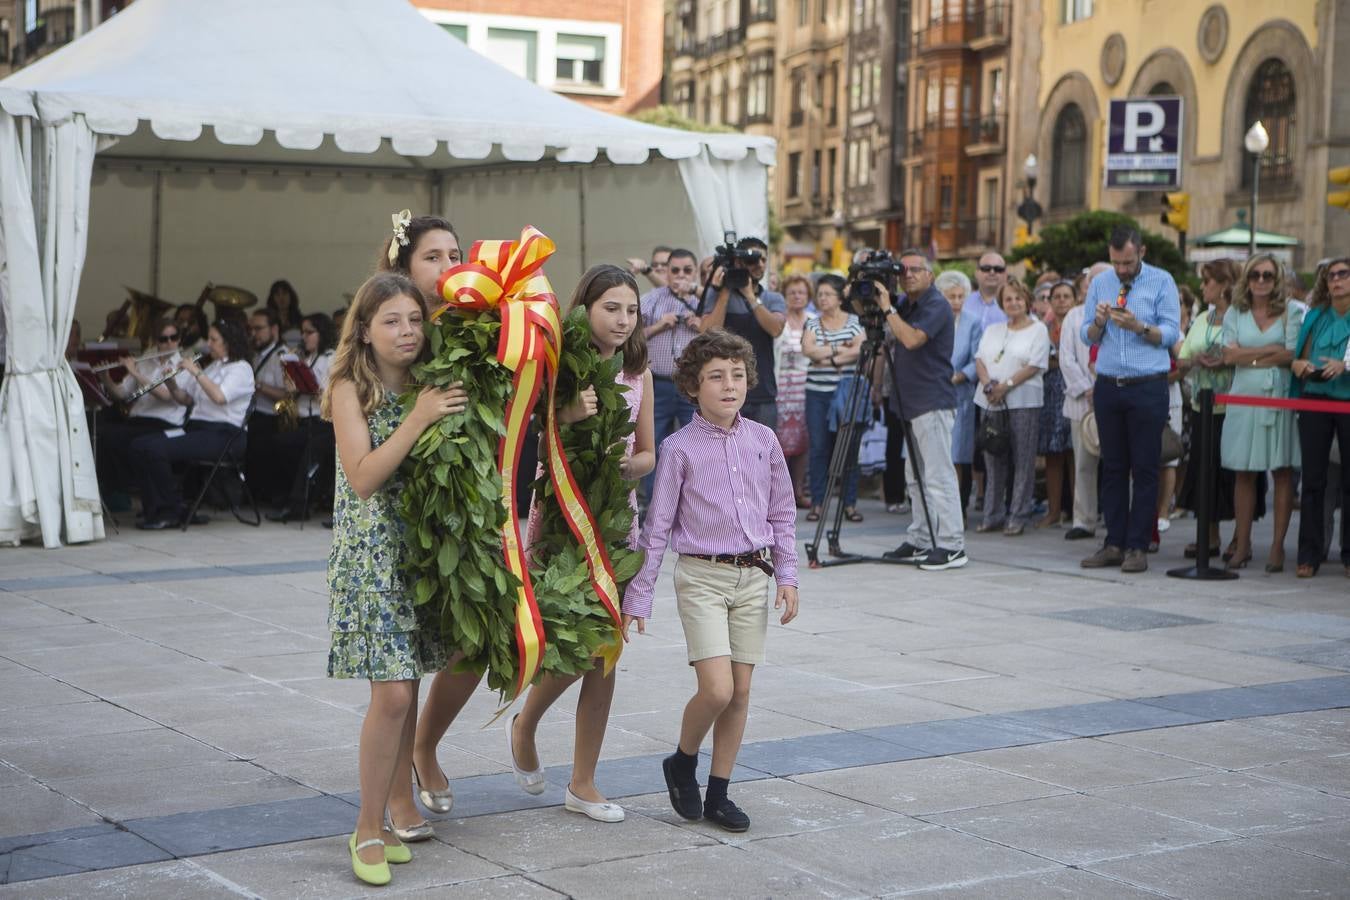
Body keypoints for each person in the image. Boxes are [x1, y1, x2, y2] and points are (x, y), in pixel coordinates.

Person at [622, 329, 799, 833]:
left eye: (737, 376)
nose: (729, 386)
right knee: (717, 689)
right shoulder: (678, 448)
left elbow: (782, 512)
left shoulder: (764, 440)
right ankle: (682, 760)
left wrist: (787, 574)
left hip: (753, 578)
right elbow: (656, 530)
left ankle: (719, 792)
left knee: (741, 692)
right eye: (715, 377)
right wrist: (639, 597)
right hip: (701, 576)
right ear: (693, 387)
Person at [324, 272, 468, 886]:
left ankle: (384, 822)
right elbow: (362, 476)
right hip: (371, 556)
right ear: (364, 330)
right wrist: (418, 418)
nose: (407, 332)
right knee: (394, 697)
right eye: (391, 321)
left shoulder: (433, 378)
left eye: (415, 320)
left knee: (407, 688)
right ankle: (364, 826)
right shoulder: (348, 388)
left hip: (422, 554)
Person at [510, 265, 656, 823]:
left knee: (605, 653)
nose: (622, 321)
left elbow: (648, 452)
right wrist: (564, 414)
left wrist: (630, 464)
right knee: (574, 639)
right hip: (563, 516)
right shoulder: (554, 361)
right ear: (584, 308)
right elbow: (520, 431)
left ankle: (583, 781)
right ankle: (525, 723)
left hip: (616, 519)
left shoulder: (637, 369)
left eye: (631, 311)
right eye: (611, 308)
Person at [373, 213, 484, 842]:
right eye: (433, 258)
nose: (448, 268)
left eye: (454, 255)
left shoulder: (476, 328)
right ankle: (392, 794)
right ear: (404, 268)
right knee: (404, 661)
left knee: (478, 638)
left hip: (464, 508)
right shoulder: (395, 333)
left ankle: (424, 746)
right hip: (401, 514)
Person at [1079, 226, 1182, 573]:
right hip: (1109, 383)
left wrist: (1139, 327)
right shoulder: (1100, 283)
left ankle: (1138, 545)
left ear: (1142, 251)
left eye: (1127, 262)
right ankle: (1113, 542)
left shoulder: (1162, 281)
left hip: (1147, 384)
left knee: (1145, 467)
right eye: (1116, 262)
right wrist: (1098, 322)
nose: (1122, 269)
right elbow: (1085, 334)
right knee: (1112, 466)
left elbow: (1171, 330)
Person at [876, 250, 968, 570]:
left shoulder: (936, 305)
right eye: (904, 270)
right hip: (909, 404)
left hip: (932, 402)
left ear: (930, 274)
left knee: (939, 477)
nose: (909, 274)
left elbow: (912, 339)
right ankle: (921, 538)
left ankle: (953, 544)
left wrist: (887, 306)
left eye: (917, 269)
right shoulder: (906, 304)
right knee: (914, 477)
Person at [129, 320, 256, 529]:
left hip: (224, 435)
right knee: (140, 445)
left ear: (229, 343)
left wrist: (196, 372)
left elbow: (219, 397)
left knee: (155, 449)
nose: (208, 343)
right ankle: (159, 508)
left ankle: (170, 511)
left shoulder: (240, 369)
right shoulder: (214, 366)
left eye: (214, 340)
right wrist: (170, 383)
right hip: (198, 429)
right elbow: (185, 399)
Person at [1221, 253, 1304, 572]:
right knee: (1243, 471)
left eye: (1267, 276)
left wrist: (1249, 356)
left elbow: (1292, 354)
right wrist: (1269, 351)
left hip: (1277, 396)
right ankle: (1241, 545)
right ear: (1246, 278)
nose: (1260, 281)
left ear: (1277, 279)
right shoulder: (1235, 312)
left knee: (1281, 471)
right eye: (1255, 274)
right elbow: (1229, 356)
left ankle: (1277, 547)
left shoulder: (1291, 312)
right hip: (1243, 396)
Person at [1176, 259, 1243, 559]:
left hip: (1234, 406)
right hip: (1202, 404)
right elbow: (1182, 359)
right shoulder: (1202, 318)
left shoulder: (1241, 317)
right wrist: (1196, 360)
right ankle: (1210, 536)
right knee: (1205, 471)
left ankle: (1242, 538)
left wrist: (1225, 360)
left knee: (1235, 473)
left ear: (1224, 284)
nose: (1203, 287)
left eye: (1207, 282)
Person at [974, 282, 1050, 536]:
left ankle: (1018, 515)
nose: (1014, 303)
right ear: (1001, 303)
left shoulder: (1038, 329)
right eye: (1008, 299)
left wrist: (1004, 386)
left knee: (1023, 460)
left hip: (1023, 402)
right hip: (990, 402)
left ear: (1027, 300)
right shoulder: (993, 330)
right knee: (993, 458)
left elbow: (1035, 365)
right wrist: (988, 386)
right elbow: (980, 360)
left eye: (1019, 298)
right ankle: (992, 514)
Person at [1291, 256, 1349, 578]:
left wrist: (1344, 365)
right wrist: (1300, 367)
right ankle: (1308, 554)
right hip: (1315, 399)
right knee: (1313, 480)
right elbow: (1298, 360)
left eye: (1343, 274)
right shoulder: (1315, 316)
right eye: (1331, 276)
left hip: (1348, 402)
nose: (1336, 280)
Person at [96, 318, 193, 498]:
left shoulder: (184, 365)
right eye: (163, 339)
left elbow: (166, 395)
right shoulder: (145, 361)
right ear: (155, 341)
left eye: (174, 337)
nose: (170, 343)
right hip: (139, 420)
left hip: (165, 423)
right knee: (101, 434)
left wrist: (134, 372)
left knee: (119, 439)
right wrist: (105, 378)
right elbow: (121, 394)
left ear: (179, 339)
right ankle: (114, 491)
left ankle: (123, 489)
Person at [698, 236, 786, 428]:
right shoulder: (718, 294)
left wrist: (750, 296)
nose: (760, 265)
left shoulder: (774, 298)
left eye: (763, 260)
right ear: (738, 262)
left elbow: (775, 329)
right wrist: (726, 291)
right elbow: (707, 332)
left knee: (761, 453)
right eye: (753, 260)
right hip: (725, 392)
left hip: (763, 391)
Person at [640, 247, 703, 501]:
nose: (680, 276)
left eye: (687, 270)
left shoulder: (704, 301)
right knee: (653, 443)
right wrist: (658, 325)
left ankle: (692, 502)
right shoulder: (651, 299)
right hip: (659, 383)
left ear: (695, 272)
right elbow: (631, 337)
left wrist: (702, 326)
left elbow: (721, 334)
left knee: (696, 445)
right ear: (665, 271)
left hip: (693, 386)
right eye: (674, 270)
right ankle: (655, 503)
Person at [802, 274, 865, 522]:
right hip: (817, 392)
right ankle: (818, 502)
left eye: (827, 294)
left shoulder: (855, 321)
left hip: (847, 392)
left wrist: (825, 356)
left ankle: (849, 504)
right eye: (820, 294)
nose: (822, 298)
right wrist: (840, 350)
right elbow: (808, 350)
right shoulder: (813, 324)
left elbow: (861, 349)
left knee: (849, 447)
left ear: (840, 298)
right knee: (819, 448)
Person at [267, 313, 338, 522]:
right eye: (303, 333)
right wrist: (292, 387)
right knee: (278, 444)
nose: (304, 337)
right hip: (305, 420)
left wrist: (311, 388)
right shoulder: (303, 359)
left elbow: (333, 395)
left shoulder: (331, 358)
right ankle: (286, 497)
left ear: (321, 333)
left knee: (311, 450)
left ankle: (300, 504)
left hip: (326, 423)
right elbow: (295, 391)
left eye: (309, 332)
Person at [936, 270, 982, 514]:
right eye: (950, 296)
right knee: (939, 453)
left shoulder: (973, 321)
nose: (955, 302)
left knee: (960, 454)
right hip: (934, 391)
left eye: (960, 296)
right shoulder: (933, 318)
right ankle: (938, 509)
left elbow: (978, 358)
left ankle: (960, 508)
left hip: (961, 393)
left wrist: (960, 375)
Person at [1059, 273, 1098, 540]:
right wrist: (1087, 388)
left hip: (1114, 396)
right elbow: (1066, 357)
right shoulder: (1074, 316)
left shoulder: (1122, 312)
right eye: (1089, 282)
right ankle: (1083, 520)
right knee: (1083, 463)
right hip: (1082, 400)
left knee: (1121, 464)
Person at [1037, 281, 1076, 528]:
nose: (1062, 300)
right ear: (1049, 301)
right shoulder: (1042, 328)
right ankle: (1053, 511)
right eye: (1057, 296)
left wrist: (1059, 360)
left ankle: (1078, 512)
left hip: (1075, 391)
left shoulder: (1082, 324)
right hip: (1050, 393)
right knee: (1053, 455)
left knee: (1075, 454)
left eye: (1066, 296)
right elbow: (1040, 360)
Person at [775, 274, 813, 508]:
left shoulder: (813, 320)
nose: (797, 296)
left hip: (806, 387)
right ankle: (781, 497)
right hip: (782, 387)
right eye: (792, 292)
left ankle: (798, 490)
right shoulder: (780, 320)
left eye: (801, 292)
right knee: (780, 443)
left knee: (803, 441)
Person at [245, 308, 290, 505]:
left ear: (274, 329)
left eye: (259, 328)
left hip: (273, 418)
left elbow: (288, 394)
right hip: (256, 415)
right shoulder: (255, 354)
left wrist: (258, 386)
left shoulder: (284, 357)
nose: (253, 333)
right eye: (251, 329)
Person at [965, 251, 1010, 330]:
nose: (992, 272)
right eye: (986, 268)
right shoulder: (964, 302)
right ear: (976, 273)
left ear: (1005, 274)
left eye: (998, 269)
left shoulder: (1015, 304)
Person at [266, 279, 304, 344]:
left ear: (291, 296)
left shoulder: (300, 320)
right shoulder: (267, 320)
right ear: (273, 298)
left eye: (284, 293)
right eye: (277, 294)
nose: (281, 297)